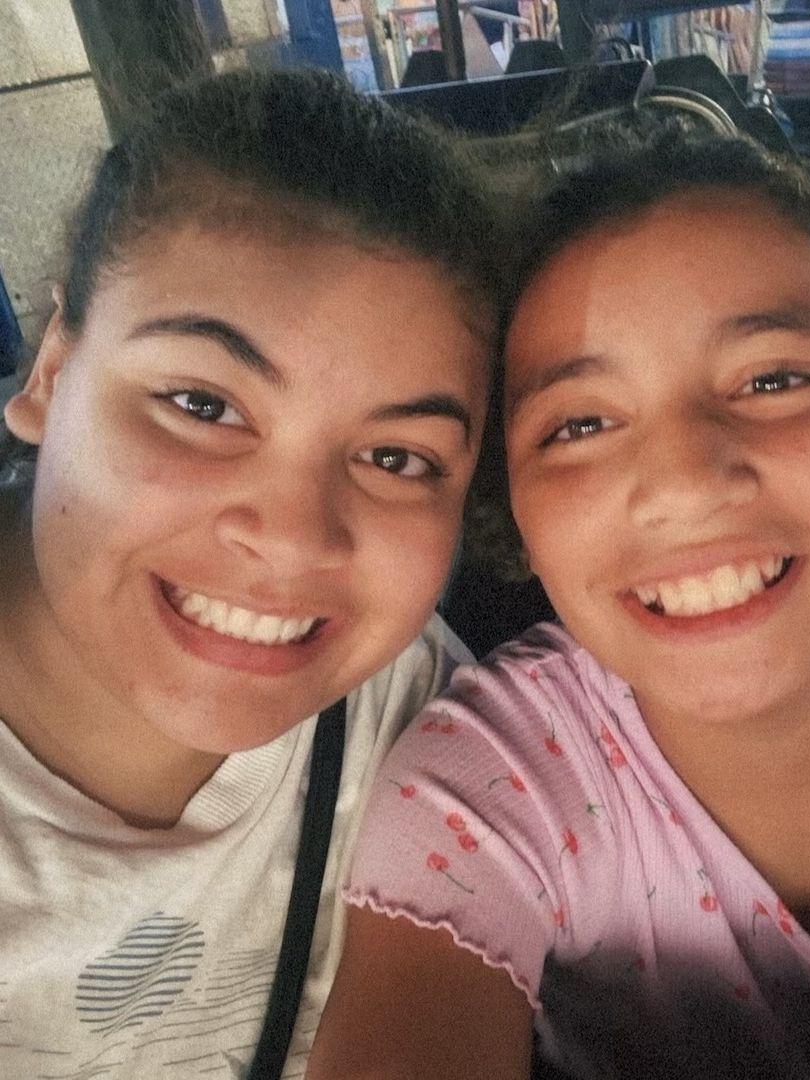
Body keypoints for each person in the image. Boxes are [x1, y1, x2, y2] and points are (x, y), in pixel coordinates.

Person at [309, 129, 810, 1080]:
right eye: (581, 424)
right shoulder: (495, 786)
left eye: (774, 379)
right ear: (521, 521)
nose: (684, 483)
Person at [0, 68, 498, 1077]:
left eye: (395, 458)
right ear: (51, 374)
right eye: (203, 405)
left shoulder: (430, 731)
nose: (293, 540)